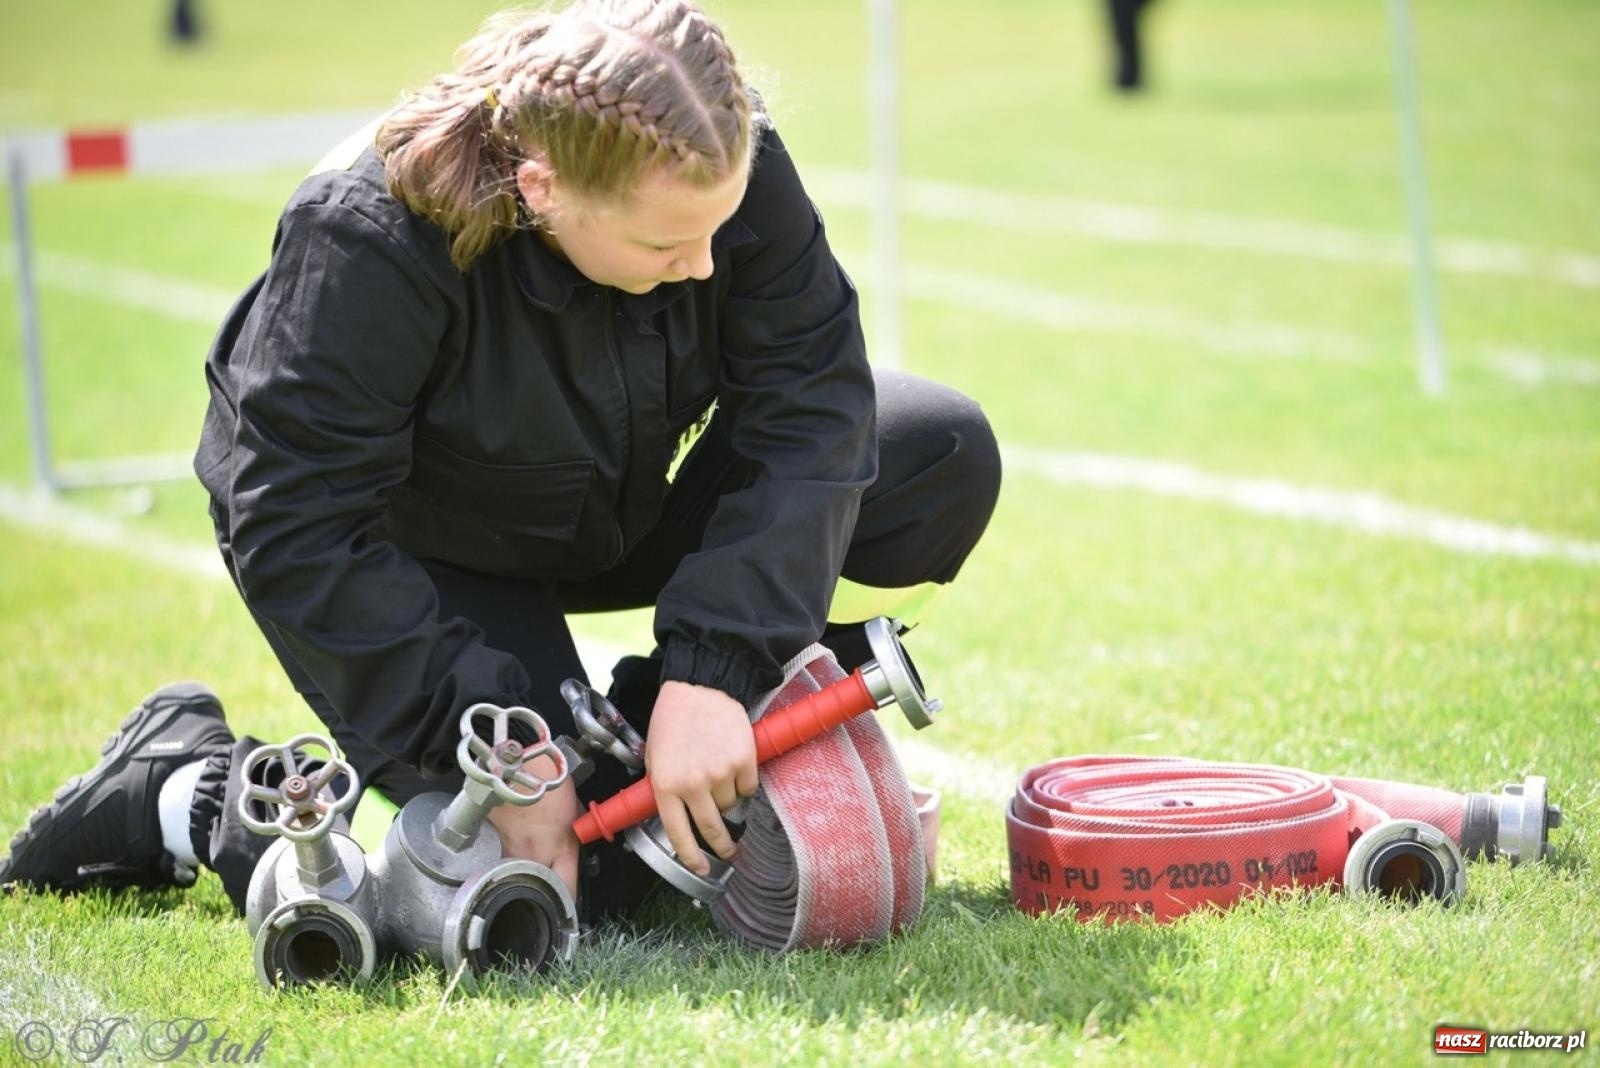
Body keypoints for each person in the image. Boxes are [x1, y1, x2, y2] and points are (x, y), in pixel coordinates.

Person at [0, 0, 1000, 923]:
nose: (703, 264)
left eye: (717, 228)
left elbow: (812, 396)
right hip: (422, 547)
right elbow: (296, 523)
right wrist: (496, 752)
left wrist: (716, 671)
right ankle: (190, 785)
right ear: (542, 188)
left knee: (934, 454)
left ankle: (667, 732)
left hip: (605, 502)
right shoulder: (365, 238)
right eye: (666, 242)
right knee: (569, 880)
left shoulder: (716, 155)